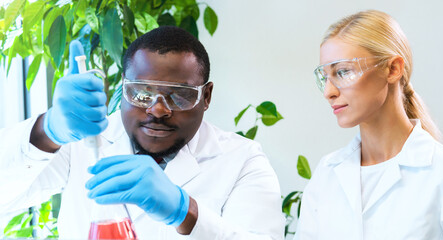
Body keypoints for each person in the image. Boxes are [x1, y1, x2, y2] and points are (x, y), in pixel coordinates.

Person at [0, 26, 284, 239]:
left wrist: (186, 212)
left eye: (180, 95)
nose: (158, 110)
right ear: (123, 88)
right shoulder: (83, 143)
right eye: (142, 93)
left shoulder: (243, 160)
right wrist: (46, 132)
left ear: (206, 96)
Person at [295, 10, 443, 240]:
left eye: (343, 71)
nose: (329, 92)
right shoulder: (327, 174)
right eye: (324, 76)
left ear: (393, 69)